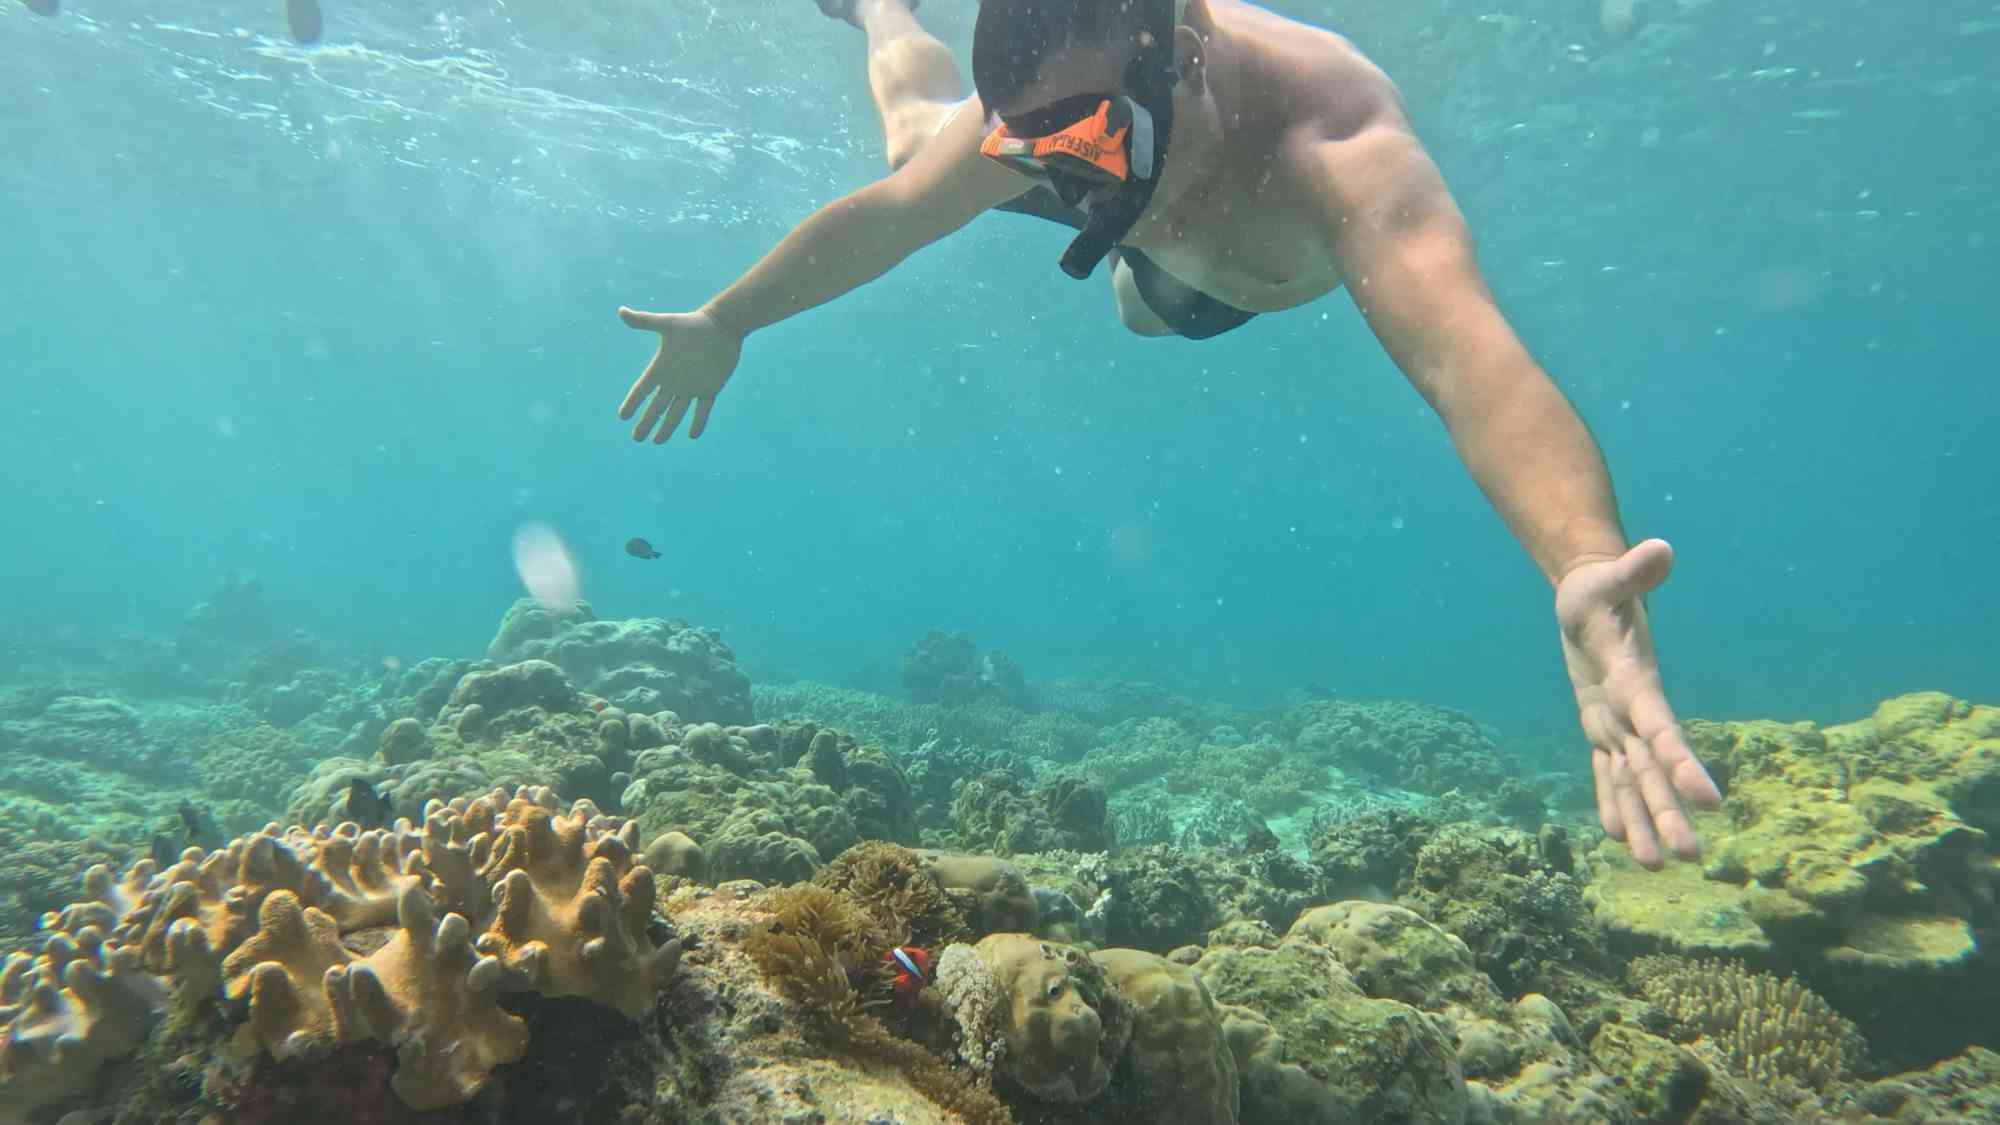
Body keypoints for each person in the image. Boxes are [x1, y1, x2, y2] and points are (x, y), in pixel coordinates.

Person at [613, 0, 1722, 868]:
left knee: (1141, 302)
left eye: (1083, 137)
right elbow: (895, 218)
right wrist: (728, 318)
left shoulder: (1333, 137)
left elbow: (1468, 363)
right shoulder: (1065, 122)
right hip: (1159, 236)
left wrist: (1578, 558)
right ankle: (877, 6)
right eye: (1031, 144)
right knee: (917, 148)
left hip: (1208, 287)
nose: (1064, 176)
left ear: (1182, 56)